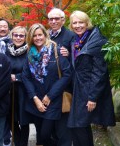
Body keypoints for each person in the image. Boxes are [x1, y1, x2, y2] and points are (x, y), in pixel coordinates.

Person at [67, 11, 116, 146]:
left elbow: (99, 72)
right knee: (77, 126)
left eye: (80, 22)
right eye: (74, 23)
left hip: (89, 90)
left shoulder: (96, 41)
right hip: (78, 88)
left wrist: (92, 97)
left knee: (78, 125)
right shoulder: (77, 40)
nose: (77, 25)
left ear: (87, 23)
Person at [22, 23, 72, 146]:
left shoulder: (56, 50)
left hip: (53, 99)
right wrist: (35, 98)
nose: (38, 38)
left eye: (40, 35)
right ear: (30, 37)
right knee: (40, 134)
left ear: (45, 35)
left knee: (46, 134)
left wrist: (50, 96)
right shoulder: (29, 53)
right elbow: (26, 76)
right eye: (34, 36)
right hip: (36, 100)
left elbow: (67, 74)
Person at [47, 8, 75, 146]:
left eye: (57, 18)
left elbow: (78, 60)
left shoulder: (70, 36)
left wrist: (69, 54)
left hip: (64, 86)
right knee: (50, 125)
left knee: (63, 124)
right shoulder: (46, 36)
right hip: (48, 86)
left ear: (63, 20)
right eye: (51, 19)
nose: (54, 21)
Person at [6, 26, 33, 146]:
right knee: (10, 119)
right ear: (11, 36)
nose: (18, 38)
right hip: (9, 91)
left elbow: (34, 72)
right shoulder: (7, 51)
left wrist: (16, 77)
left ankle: (23, 143)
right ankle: (17, 142)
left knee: (24, 120)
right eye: (15, 35)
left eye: (21, 35)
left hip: (24, 90)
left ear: (25, 37)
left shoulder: (31, 51)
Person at [0, 18, 12, 146]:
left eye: (5, 26)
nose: (2, 28)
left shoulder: (14, 42)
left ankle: (7, 139)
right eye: (0, 26)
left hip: (11, 84)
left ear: (8, 28)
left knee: (8, 112)